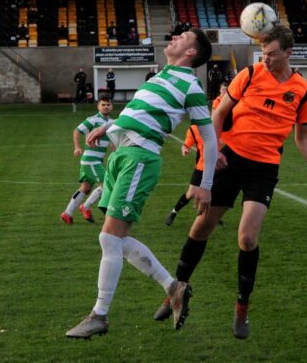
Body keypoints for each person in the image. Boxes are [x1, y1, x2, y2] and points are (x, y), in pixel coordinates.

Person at [153, 25, 307, 339]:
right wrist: (216, 151)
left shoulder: (303, 91)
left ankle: (242, 307)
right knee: (200, 227)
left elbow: (303, 139)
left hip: (264, 169)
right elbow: (217, 114)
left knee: (247, 238)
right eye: (262, 54)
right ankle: (176, 291)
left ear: (288, 53)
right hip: (231, 160)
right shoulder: (250, 75)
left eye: (271, 55)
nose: (265, 60)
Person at [65, 28, 215, 340]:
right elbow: (141, 113)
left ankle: (100, 315)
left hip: (139, 160)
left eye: (184, 36)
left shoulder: (190, 84)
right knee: (113, 241)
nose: (174, 37)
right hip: (121, 156)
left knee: (109, 240)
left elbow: (209, 137)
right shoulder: (159, 77)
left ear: (192, 52)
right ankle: (174, 288)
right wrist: (109, 125)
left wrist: (207, 182)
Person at [165, 81, 229, 227]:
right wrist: (185, 148)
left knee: (215, 192)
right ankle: (174, 212)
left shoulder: (220, 128)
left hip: (216, 167)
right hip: (201, 167)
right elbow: (186, 144)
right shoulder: (194, 129)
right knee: (191, 193)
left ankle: (212, 217)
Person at [60, 95, 114, 225]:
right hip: (91, 160)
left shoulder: (111, 122)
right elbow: (77, 131)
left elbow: (113, 142)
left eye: (108, 104)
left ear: (111, 106)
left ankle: (67, 213)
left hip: (96, 160)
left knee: (86, 188)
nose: (106, 107)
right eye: (103, 105)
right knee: (107, 185)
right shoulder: (93, 120)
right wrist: (77, 147)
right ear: (98, 106)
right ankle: (86, 207)